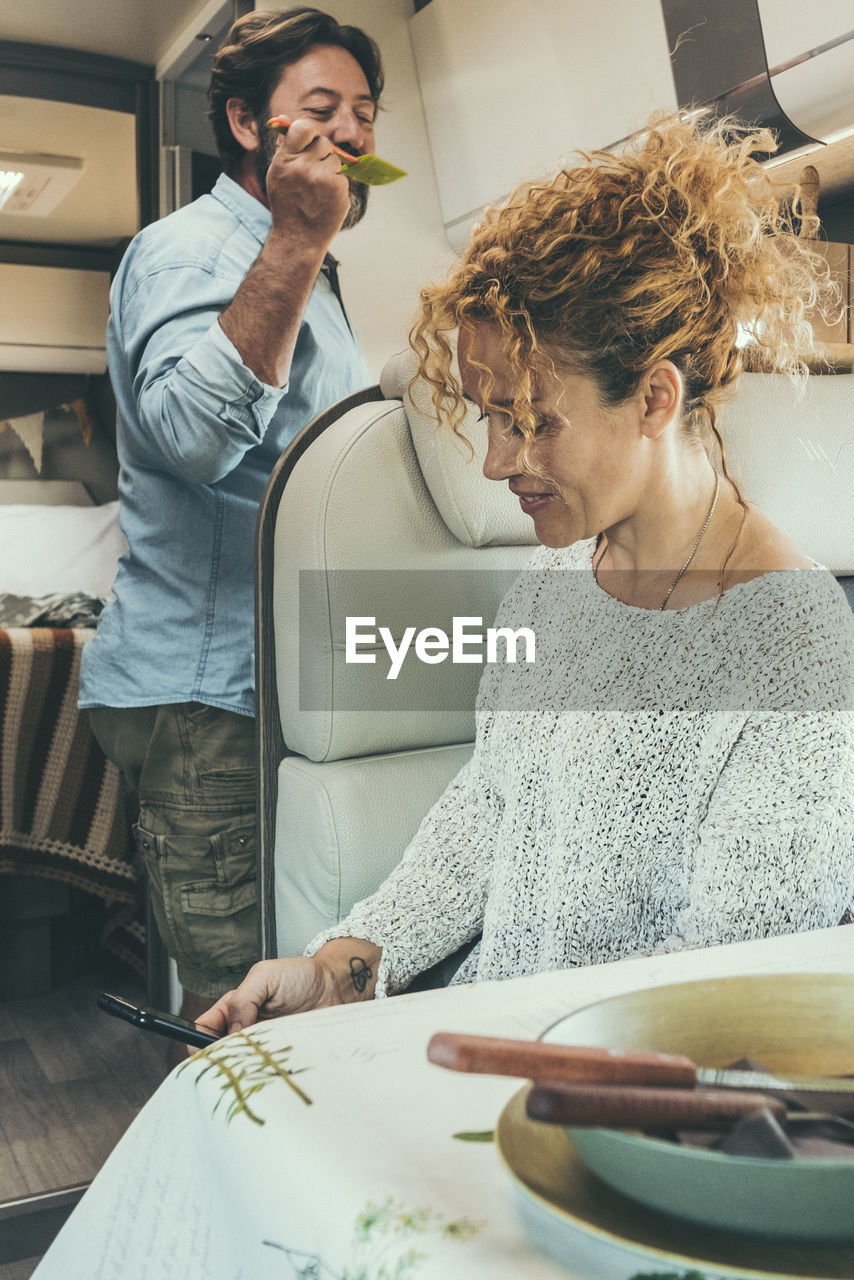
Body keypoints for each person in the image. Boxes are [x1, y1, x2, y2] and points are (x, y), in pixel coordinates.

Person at [197, 114, 854, 1038]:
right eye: (488, 416)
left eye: (532, 421)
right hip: (495, 1059)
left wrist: (501, 1063)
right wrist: (345, 968)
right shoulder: (557, 585)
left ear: (655, 398)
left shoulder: (797, 650)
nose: (497, 463)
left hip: (610, 1111)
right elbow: (491, 813)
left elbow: (728, 1005)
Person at [79, 8, 385, 1020]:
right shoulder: (195, 250)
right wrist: (300, 233)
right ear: (249, 124)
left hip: (278, 683)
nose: (350, 132)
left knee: (292, 983)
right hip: (212, 695)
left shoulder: (310, 270)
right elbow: (191, 435)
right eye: (321, 109)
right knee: (238, 1012)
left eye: (365, 113)